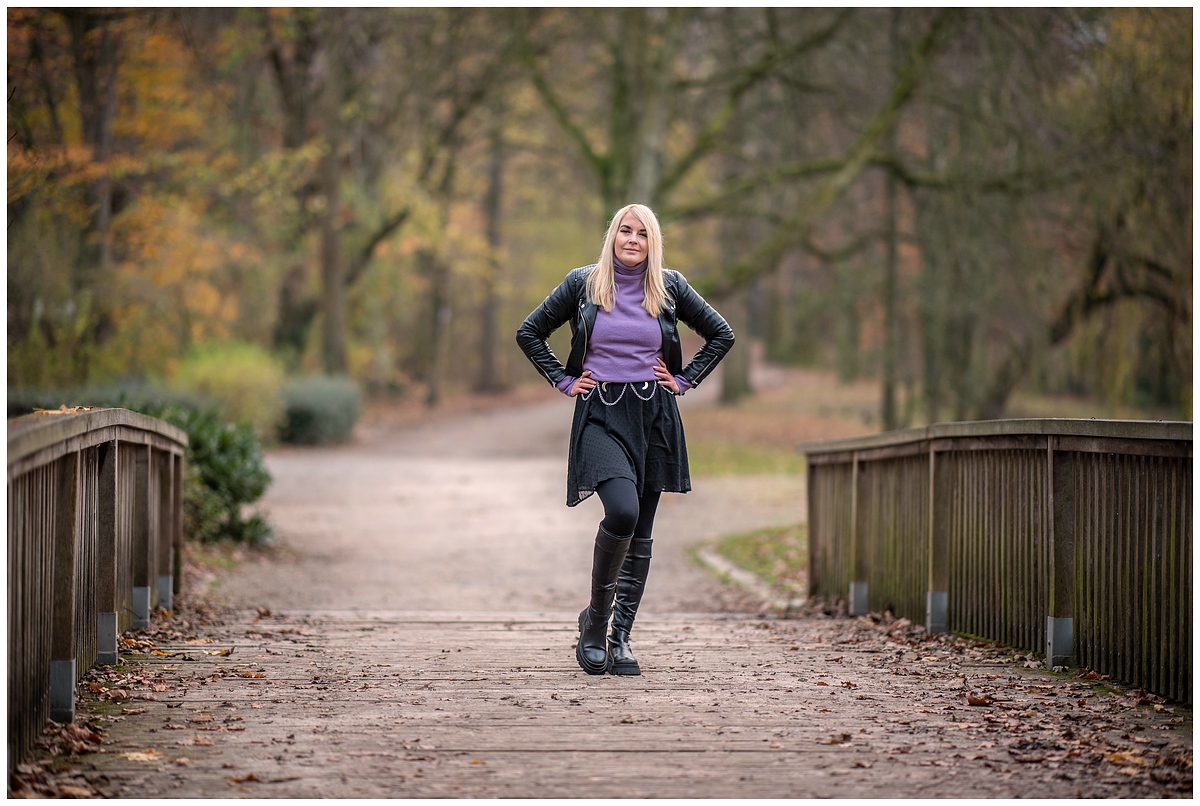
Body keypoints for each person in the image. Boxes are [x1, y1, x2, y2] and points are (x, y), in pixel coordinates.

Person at [515, 203, 735, 676]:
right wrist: (563, 379)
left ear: (652, 243)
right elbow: (530, 331)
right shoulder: (583, 283)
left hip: (655, 416)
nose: (632, 239)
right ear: (612, 235)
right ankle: (595, 621)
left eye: (642, 234)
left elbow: (721, 334)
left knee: (643, 531)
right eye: (624, 230)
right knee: (623, 511)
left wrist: (685, 378)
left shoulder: (669, 287)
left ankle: (621, 639)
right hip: (601, 413)